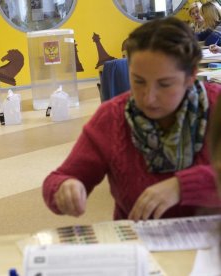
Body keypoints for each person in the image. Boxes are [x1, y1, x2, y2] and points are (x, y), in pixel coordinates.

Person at [43, 17, 221, 222]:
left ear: (191, 77)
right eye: (138, 81)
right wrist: (66, 187)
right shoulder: (112, 117)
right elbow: (58, 179)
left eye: (164, 84)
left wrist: (183, 186)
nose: (148, 97)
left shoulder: (217, 106)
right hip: (138, 244)